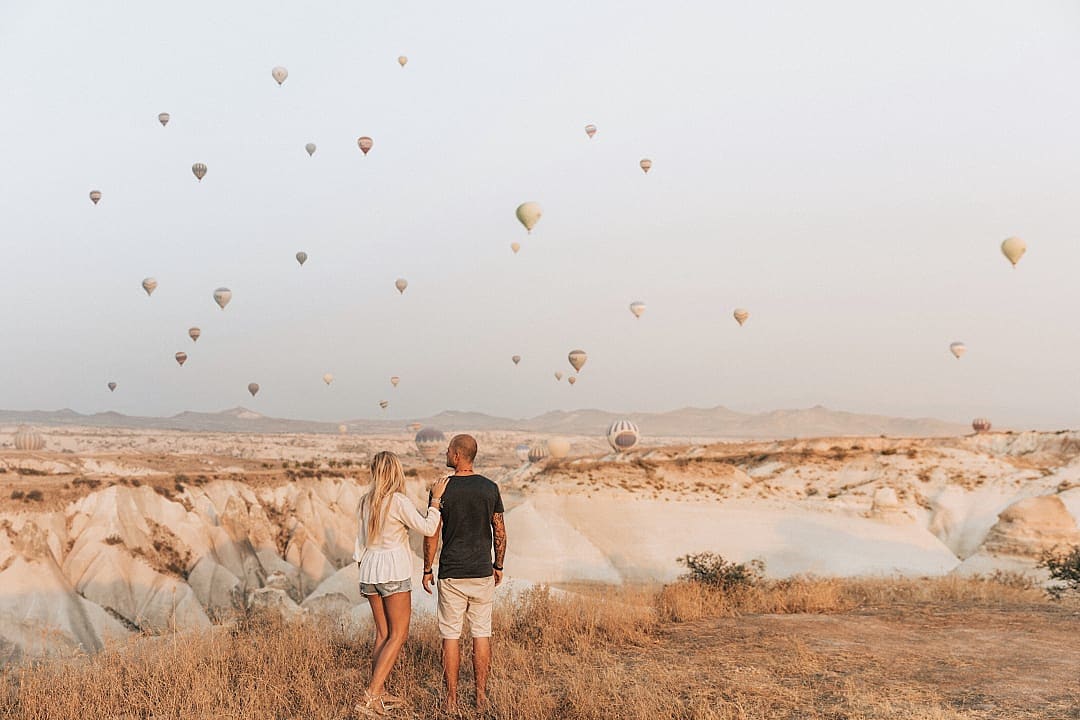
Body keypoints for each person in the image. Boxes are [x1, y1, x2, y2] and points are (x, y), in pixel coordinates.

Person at [354, 451, 449, 717]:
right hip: (393, 570)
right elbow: (428, 527)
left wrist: (363, 568)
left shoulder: (365, 501)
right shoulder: (397, 501)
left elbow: (359, 542)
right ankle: (372, 695)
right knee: (399, 634)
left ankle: (380, 690)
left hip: (369, 570)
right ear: (396, 472)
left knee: (382, 634)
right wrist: (436, 500)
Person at [422, 434, 507, 712]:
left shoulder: (441, 489)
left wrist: (426, 567)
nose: (445, 453)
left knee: (451, 636)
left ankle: (451, 700)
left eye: (448, 450)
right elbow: (500, 531)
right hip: (481, 571)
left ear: (458, 455)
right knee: (481, 633)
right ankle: (481, 697)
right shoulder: (490, 488)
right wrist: (498, 565)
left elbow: (432, 533)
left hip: (452, 573)